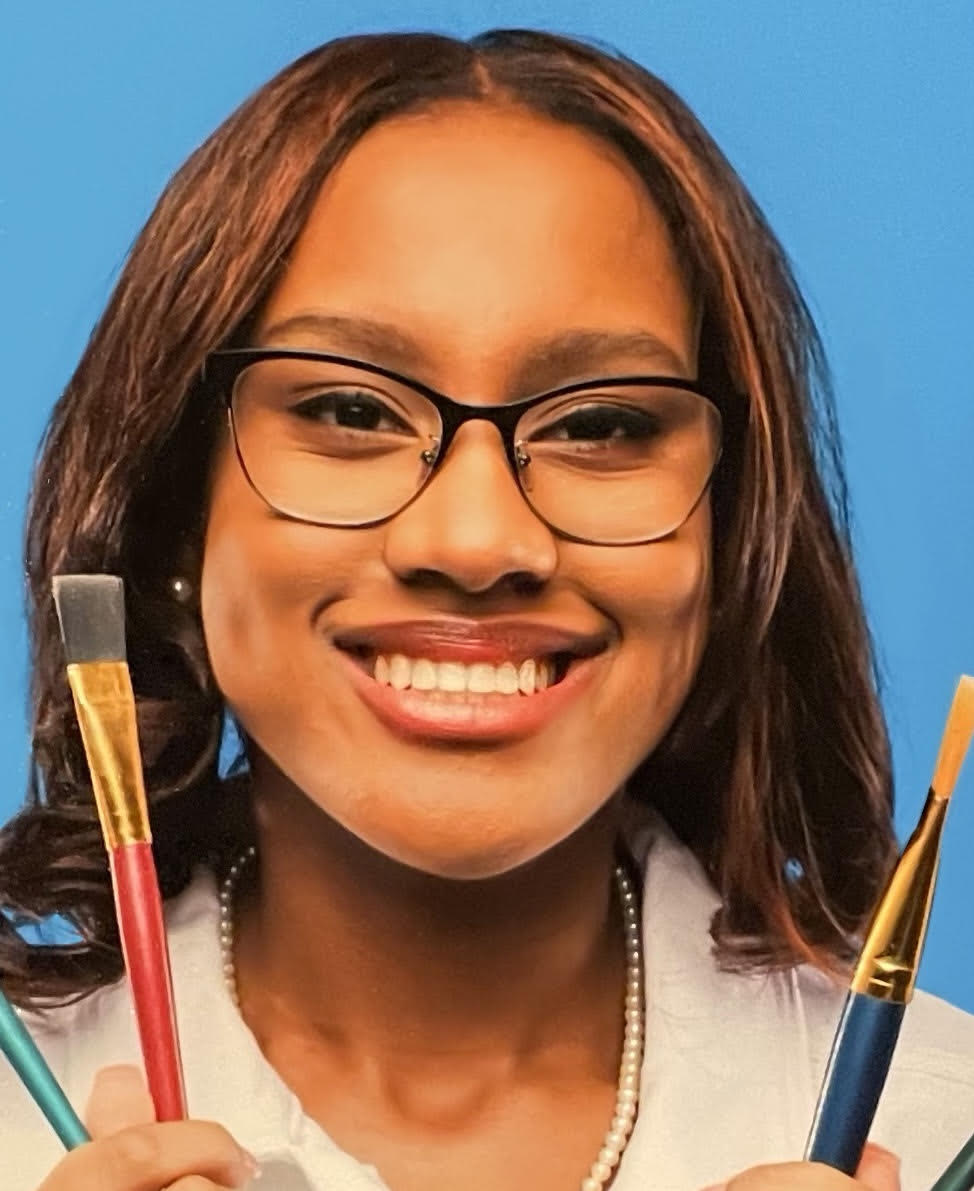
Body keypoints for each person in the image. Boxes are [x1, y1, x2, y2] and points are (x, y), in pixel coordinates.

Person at [0, 27, 970, 1191]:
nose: (475, 541)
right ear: (174, 516)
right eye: (351, 412)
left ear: (732, 535)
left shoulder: (943, 1122)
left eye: (600, 425)